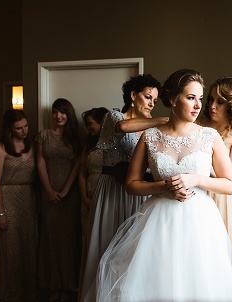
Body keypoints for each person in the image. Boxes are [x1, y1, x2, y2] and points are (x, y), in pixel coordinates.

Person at [95, 68, 232, 301]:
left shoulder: (209, 136)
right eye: (190, 98)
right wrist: (163, 186)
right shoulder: (150, 136)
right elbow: (131, 184)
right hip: (158, 221)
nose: (198, 105)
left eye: (199, 98)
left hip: (200, 222)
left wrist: (195, 179)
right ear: (173, 100)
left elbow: (229, 184)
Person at [79, 74, 167, 302]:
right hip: (111, 193)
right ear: (133, 95)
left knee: (132, 254)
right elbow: (124, 126)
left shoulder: (148, 131)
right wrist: (162, 120)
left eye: (154, 101)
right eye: (148, 97)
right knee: (106, 244)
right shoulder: (114, 116)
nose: (151, 104)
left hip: (136, 194)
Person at [196, 76, 232, 301]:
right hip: (196, 195)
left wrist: (200, 163)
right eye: (210, 99)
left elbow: (230, 176)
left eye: (219, 102)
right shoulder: (198, 125)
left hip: (223, 200)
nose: (211, 106)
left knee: (221, 258)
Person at [36, 98, 82, 302]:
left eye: (62, 112)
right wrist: (48, 190)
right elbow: (40, 162)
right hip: (47, 195)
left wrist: (64, 191)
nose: (58, 116)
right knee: (50, 239)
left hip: (70, 197)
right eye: (55, 112)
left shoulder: (76, 138)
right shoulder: (43, 136)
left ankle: (68, 287)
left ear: (68, 114)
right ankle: (53, 286)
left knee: (67, 241)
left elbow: (78, 167)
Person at [0, 109, 38, 301]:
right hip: (8, 198)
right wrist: (0, 212)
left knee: (29, 247)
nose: (24, 130)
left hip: (28, 198)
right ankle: (10, 294)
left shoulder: (32, 146)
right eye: (19, 128)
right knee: (11, 249)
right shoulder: (1, 149)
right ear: (10, 129)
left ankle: (29, 294)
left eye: (26, 126)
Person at [78, 107, 109, 255]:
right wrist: (84, 197)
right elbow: (82, 174)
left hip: (106, 196)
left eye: (91, 123)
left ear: (101, 123)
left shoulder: (112, 144)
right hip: (88, 200)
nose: (88, 127)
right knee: (88, 236)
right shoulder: (88, 146)